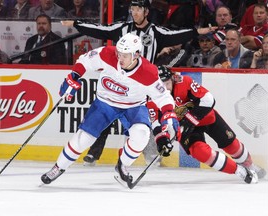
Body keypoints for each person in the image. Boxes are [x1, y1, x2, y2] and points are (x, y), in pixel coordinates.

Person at [61, 0, 203, 165]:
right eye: (132, 9)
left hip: (141, 85)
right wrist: (76, 23)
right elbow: (101, 30)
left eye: (138, 9)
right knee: (106, 112)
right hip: (119, 78)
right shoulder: (123, 28)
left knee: (144, 121)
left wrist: (202, 31)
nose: (134, 13)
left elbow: (179, 35)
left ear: (146, 12)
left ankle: (148, 155)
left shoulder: (155, 32)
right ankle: (94, 153)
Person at [40, 33, 181, 185]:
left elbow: (162, 97)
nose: (120, 58)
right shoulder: (108, 53)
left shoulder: (148, 71)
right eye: (119, 53)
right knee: (83, 138)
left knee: (141, 135)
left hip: (133, 107)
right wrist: (74, 76)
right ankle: (58, 167)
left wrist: (169, 113)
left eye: (125, 55)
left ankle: (122, 166)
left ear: (137, 55)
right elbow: (85, 60)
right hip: (104, 103)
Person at [149, 65, 266, 184]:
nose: (165, 89)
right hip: (187, 130)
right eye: (160, 86)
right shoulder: (151, 99)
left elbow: (208, 99)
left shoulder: (184, 82)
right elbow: (156, 124)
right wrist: (162, 141)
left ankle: (249, 165)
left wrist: (189, 120)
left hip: (205, 118)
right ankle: (239, 171)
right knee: (200, 152)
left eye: (167, 83)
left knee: (232, 145)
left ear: (173, 79)